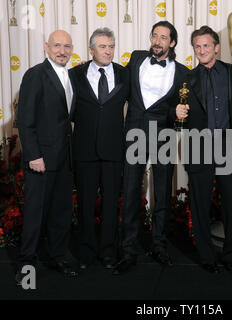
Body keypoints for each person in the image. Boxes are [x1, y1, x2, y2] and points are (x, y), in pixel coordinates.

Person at [113, 21, 189, 275]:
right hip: (134, 131)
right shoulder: (135, 59)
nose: (157, 41)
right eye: (154, 35)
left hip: (164, 134)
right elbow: (118, 82)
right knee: (131, 191)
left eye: (163, 37)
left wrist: (175, 112)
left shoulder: (183, 72)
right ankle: (128, 250)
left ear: (173, 43)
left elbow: (178, 107)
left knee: (162, 193)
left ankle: (159, 245)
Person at [176, 26, 232, 274]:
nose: (202, 50)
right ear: (193, 49)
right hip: (199, 145)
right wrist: (177, 113)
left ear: (217, 47)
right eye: (197, 46)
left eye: (206, 45)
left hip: (227, 144)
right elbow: (175, 112)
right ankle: (206, 255)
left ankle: (231, 253)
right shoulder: (187, 78)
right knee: (200, 204)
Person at [16, 30, 77, 285]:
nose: (62, 51)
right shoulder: (35, 75)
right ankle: (26, 268)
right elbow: (25, 120)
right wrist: (33, 155)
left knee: (61, 212)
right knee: (35, 214)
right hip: (41, 159)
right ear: (46, 47)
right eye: (56, 46)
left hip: (65, 159)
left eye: (66, 46)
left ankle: (57, 258)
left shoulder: (72, 76)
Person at [69, 28, 130, 270]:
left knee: (111, 204)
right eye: (103, 47)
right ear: (91, 50)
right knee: (84, 204)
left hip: (114, 151)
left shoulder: (125, 75)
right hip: (84, 151)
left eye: (111, 46)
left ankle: (107, 252)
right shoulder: (74, 74)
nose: (108, 51)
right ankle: (86, 252)